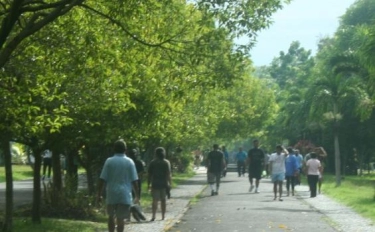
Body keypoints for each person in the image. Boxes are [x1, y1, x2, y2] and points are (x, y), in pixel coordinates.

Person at [97, 140, 139, 232]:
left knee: (111, 216)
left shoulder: (109, 161)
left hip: (111, 193)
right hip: (124, 194)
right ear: (125, 149)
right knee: (121, 218)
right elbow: (134, 180)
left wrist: (99, 194)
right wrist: (137, 195)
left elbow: (102, 179)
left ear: (114, 149)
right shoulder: (130, 162)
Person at [148, 147, 172, 221]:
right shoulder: (166, 162)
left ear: (155, 154)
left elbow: (149, 174)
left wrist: (149, 184)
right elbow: (168, 174)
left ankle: (153, 216)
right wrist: (170, 183)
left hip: (155, 183)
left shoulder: (152, 162)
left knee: (155, 200)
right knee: (163, 200)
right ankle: (163, 216)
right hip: (164, 183)